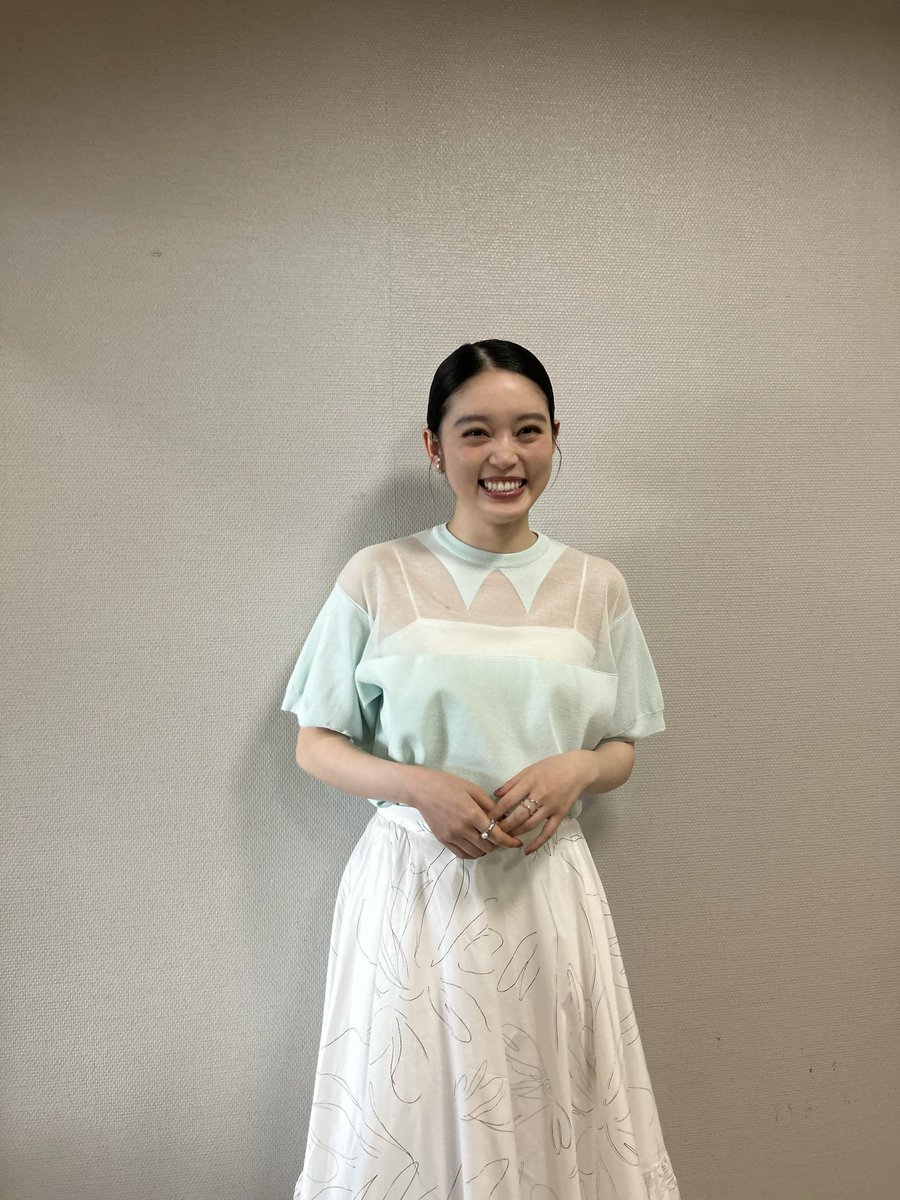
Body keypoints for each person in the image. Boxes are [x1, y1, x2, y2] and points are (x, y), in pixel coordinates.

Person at [281, 339, 681, 1199]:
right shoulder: (378, 575)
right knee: (406, 1105)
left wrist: (579, 769)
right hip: (412, 889)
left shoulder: (597, 587)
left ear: (556, 437)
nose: (505, 455)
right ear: (436, 447)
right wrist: (416, 785)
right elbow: (316, 742)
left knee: (549, 1108)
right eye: (476, 433)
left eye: (528, 430)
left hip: (544, 888)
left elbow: (623, 746)